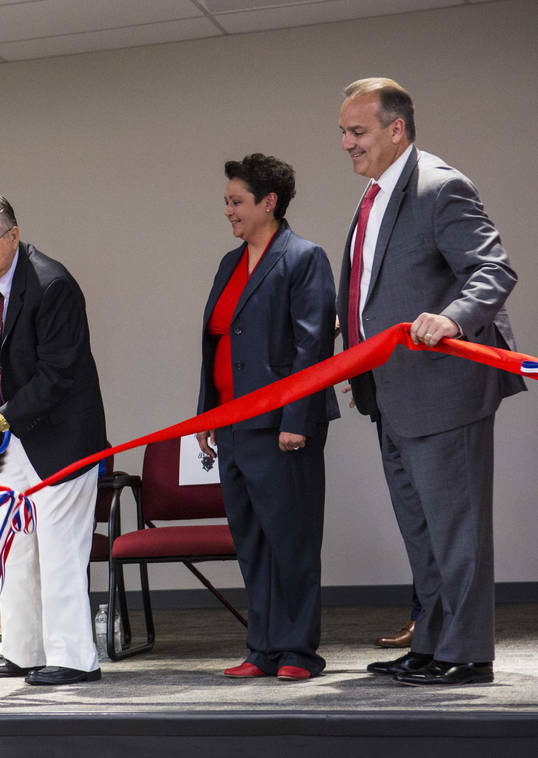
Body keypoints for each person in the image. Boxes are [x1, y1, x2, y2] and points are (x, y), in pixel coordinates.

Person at [336, 77, 524, 685]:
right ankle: (434, 642)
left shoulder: (440, 187)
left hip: (445, 389)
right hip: (392, 392)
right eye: (343, 132)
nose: (346, 143)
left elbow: (492, 268)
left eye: (357, 131)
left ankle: (468, 655)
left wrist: (451, 317)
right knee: (424, 535)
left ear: (397, 129)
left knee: (457, 530)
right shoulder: (375, 195)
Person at [196, 154, 339, 681]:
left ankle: (298, 651)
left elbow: (313, 346)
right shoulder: (229, 263)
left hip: (283, 428)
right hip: (232, 426)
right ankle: (261, 648)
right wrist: (204, 418)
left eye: (237, 202)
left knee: (291, 540)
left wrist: (296, 420)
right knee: (252, 540)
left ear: (269, 202)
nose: (229, 212)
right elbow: (215, 343)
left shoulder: (303, 257)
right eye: (227, 202)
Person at [0, 194, 107, 686]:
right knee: (11, 545)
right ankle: (22, 649)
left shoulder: (52, 283)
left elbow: (58, 374)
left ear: (14, 235)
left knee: (60, 551)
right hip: (15, 436)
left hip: (62, 437)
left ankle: (74, 659)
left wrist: (0, 416)